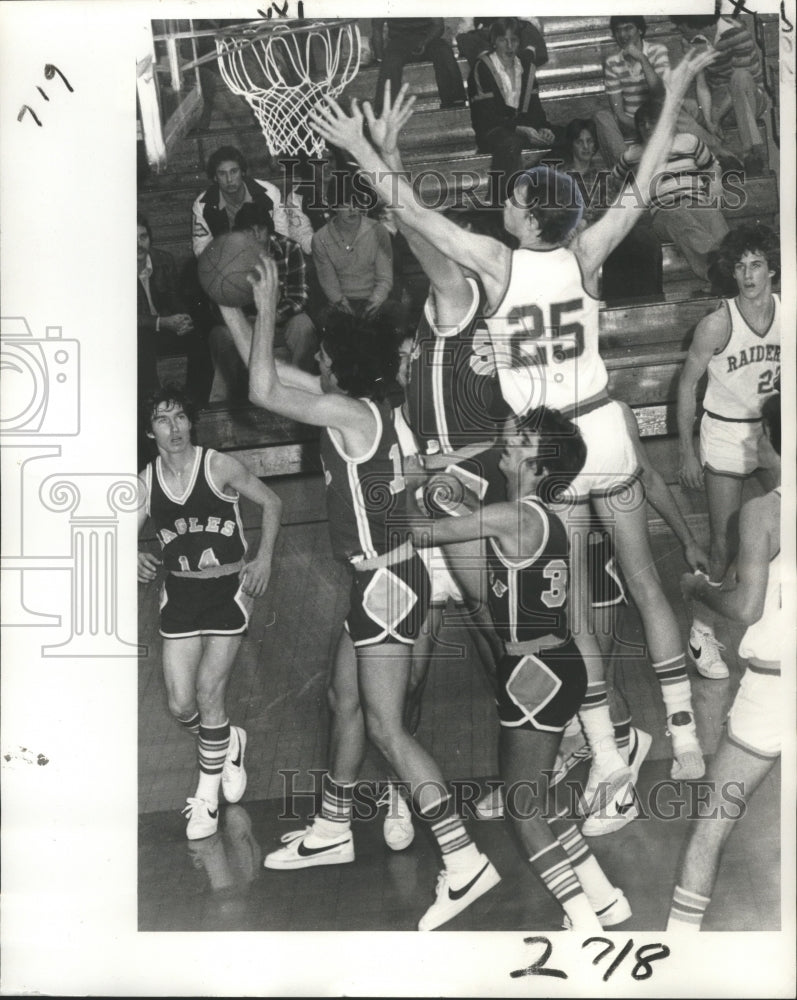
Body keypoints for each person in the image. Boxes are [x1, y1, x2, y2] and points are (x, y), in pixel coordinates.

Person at [308, 46, 716, 809]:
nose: (511, 192)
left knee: (563, 611)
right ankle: (686, 736)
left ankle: (605, 759)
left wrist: (367, 153)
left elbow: (413, 213)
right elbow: (646, 176)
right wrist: (678, 88)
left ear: (528, 212)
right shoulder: (586, 248)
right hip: (603, 430)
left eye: (518, 190)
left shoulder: (495, 264)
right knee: (642, 581)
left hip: (548, 448)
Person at [244, 257, 501, 932]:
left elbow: (266, 390)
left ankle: (462, 856)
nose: (317, 359)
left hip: (386, 581)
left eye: (322, 353)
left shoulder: (346, 415)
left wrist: (270, 307)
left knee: (386, 724)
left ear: (339, 365)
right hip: (391, 576)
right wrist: (232, 309)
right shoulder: (375, 410)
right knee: (343, 698)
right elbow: (278, 377)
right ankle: (332, 823)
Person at [407, 406, 631, 932]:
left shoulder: (515, 517)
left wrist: (408, 486)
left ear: (539, 463)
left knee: (521, 807)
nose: (511, 441)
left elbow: (422, 535)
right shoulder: (548, 520)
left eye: (523, 439)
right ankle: (605, 900)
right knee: (540, 798)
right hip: (560, 665)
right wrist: (451, 494)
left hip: (532, 671)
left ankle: (584, 926)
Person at [137, 384, 282, 840]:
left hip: (229, 588)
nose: (175, 427)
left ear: (191, 421)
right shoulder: (144, 481)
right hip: (180, 593)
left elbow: (273, 503)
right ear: (150, 431)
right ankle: (228, 739)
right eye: (164, 419)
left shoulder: (217, 464)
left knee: (207, 693)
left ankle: (206, 798)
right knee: (181, 705)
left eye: (180, 416)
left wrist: (264, 558)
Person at [668, 394, 782, 931]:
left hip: (776, 689)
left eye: (760, 433)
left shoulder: (763, 511)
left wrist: (700, 591)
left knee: (710, 828)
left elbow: (745, 607)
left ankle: (676, 958)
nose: (752, 440)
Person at [677, 223, 780, 679]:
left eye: (756, 264)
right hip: (724, 432)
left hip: (773, 433)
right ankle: (701, 632)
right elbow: (686, 386)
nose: (748, 274)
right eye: (740, 266)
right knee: (723, 543)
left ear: (772, 269)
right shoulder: (718, 322)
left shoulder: (789, 312)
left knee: (781, 532)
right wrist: (685, 450)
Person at [595, 15, 741, 168]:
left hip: (659, 115)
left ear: (639, 29)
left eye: (628, 28)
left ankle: (718, 152)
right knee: (602, 117)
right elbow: (619, 114)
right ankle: (627, 169)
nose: (623, 35)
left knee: (673, 106)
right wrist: (644, 127)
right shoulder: (612, 62)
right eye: (618, 30)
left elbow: (658, 92)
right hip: (635, 121)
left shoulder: (657, 51)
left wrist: (642, 59)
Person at [613, 99, 728, 291]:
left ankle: (729, 268)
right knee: (677, 214)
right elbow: (614, 179)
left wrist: (715, 181)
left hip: (696, 201)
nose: (647, 127)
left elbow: (712, 165)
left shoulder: (689, 141)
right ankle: (721, 271)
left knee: (711, 216)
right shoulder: (633, 154)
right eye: (642, 124)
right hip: (664, 212)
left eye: (652, 121)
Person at [207, 202, 316, 398]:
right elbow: (219, 303)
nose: (256, 235)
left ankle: (302, 393)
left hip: (281, 319)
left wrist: (271, 316)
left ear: (269, 229)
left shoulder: (289, 248)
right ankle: (222, 405)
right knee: (220, 335)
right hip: (246, 323)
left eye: (261, 229)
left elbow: (299, 297)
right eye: (249, 230)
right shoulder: (227, 254)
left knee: (304, 325)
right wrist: (245, 320)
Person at [558, 118, 663, 303]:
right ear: (571, 145)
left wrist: (590, 223)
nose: (585, 147)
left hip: (598, 232)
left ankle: (644, 304)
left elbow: (612, 211)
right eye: (579, 141)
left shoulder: (605, 177)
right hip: (571, 235)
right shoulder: (558, 178)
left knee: (644, 239)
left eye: (590, 141)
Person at [137, 213, 214, 429]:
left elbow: (175, 297)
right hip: (139, 332)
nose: (138, 244)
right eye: (131, 239)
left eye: (143, 237)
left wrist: (182, 319)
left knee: (198, 338)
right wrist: (163, 322)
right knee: (141, 343)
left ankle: (194, 405)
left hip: (166, 326)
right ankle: (152, 410)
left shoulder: (163, 260)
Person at [467, 18, 556, 201]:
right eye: (503, 40)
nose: (509, 46)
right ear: (494, 41)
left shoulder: (525, 66)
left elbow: (535, 109)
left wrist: (544, 128)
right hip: (492, 131)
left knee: (565, 136)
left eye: (514, 40)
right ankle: (500, 204)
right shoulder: (482, 67)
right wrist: (520, 129)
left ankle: (539, 196)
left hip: (523, 130)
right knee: (510, 143)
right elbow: (485, 117)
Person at [671, 13, 769, 175]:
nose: (679, 30)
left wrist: (715, 118)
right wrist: (709, 121)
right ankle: (720, 152)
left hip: (748, 99)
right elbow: (701, 85)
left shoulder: (737, 33)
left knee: (740, 76)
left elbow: (740, 83)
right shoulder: (691, 42)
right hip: (717, 101)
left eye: (681, 25)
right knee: (671, 105)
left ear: (694, 22)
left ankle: (749, 154)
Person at [311, 176, 404, 333]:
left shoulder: (378, 231)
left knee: (394, 314)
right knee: (333, 323)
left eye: (357, 202)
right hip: (342, 304)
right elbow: (329, 283)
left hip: (375, 301)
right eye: (346, 203)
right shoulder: (320, 239)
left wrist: (374, 302)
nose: (353, 209)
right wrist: (342, 304)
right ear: (334, 205)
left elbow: (385, 278)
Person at [191, 145, 313, 258]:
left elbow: (282, 234)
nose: (229, 179)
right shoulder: (203, 204)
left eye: (234, 172)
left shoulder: (269, 193)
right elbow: (201, 248)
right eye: (222, 174)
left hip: (266, 256)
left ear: (243, 172)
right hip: (227, 261)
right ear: (215, 177)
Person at [371, 18, 466, 114]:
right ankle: (383, 111)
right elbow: (376, 29)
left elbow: (438, 26)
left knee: (444, 51)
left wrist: (424, 42)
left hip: (428, 38)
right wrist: (379, 59)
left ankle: (455, 101)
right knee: (391, 59)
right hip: (399, 42)